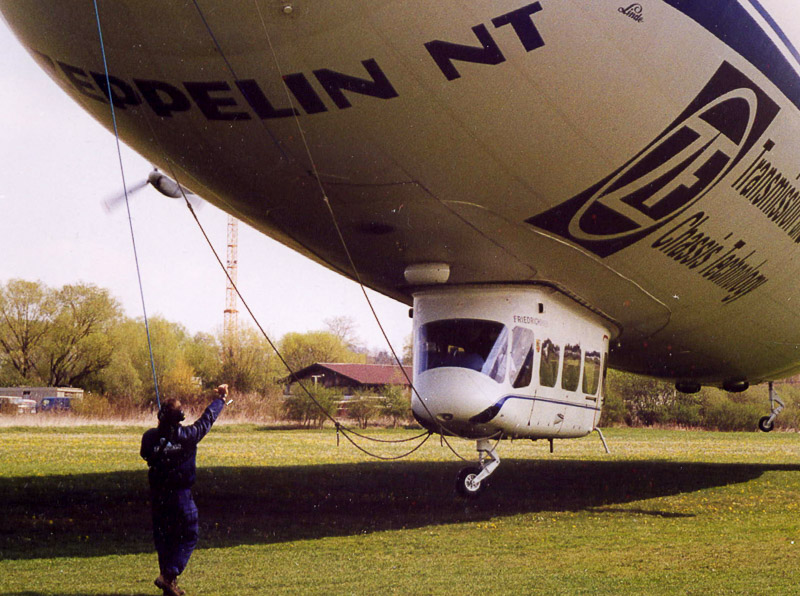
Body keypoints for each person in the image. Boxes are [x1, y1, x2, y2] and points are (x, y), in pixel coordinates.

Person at [141, 384, 228, 596]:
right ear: (181, 416)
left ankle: (168, 585)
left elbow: (145, 455)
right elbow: (208, 418)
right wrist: (222, 399)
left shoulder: (150, 437)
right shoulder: (190, 435)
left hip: (158, 496)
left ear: (161, 416)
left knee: (164, 540)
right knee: (189, 534)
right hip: (181, 496)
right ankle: (169, 575)